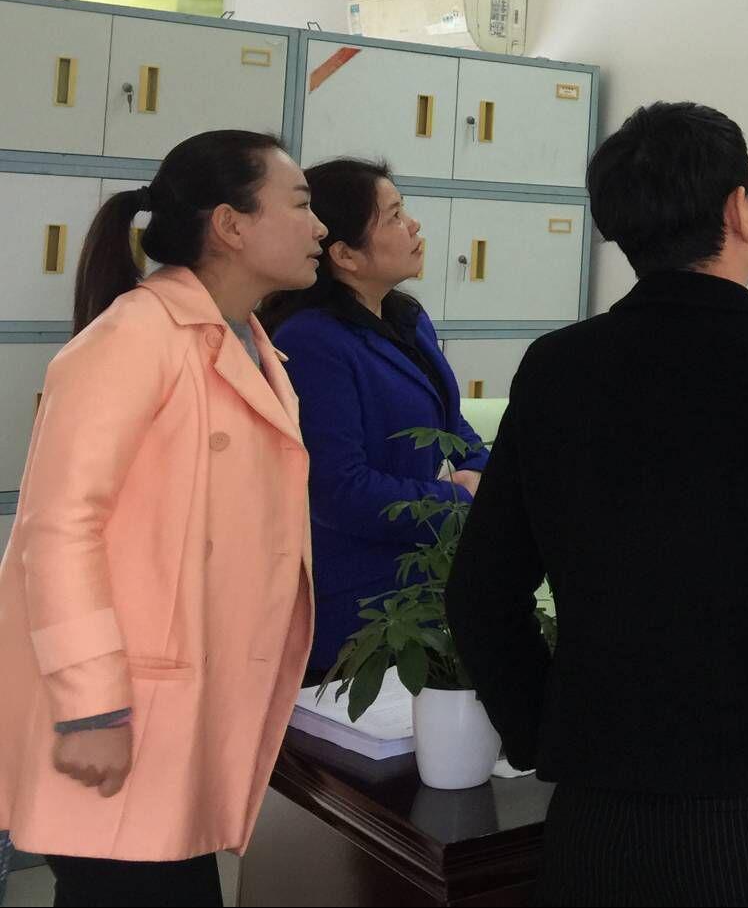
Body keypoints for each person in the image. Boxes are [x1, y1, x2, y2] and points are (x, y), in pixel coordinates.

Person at [447, 103, 748, 906]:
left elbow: (481, 590)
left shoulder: (557, 367)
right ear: (737, 209)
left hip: (597, 811)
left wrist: (542, 731)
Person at [0, 130, 324, 907]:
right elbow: (58, 529)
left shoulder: (249, 342)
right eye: (301, 204)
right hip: (117, 715)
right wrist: (92, 708)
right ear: (231, 224)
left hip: (181, 713)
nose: (320, 227)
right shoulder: (132, 337)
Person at [262, 159, 490, 685]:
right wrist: (461, 500)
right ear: (345, 255)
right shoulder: (311, 341)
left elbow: (450, 423)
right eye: (394, 217)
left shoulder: (406, 317)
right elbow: (339, 490)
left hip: (428, 582)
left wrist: (484, 474)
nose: (414, 225)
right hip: (360, 604)